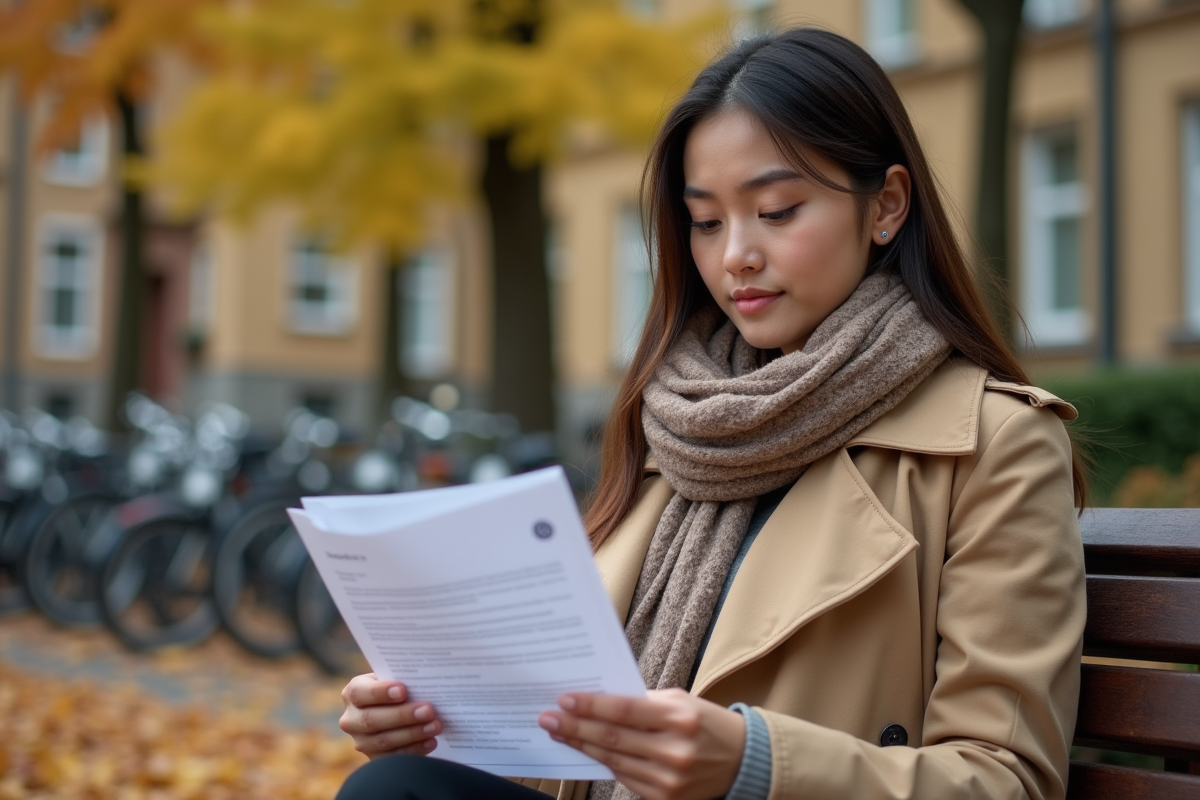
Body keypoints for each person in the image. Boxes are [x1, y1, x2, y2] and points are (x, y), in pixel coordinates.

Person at [334, 27, 1087, 800]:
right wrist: (438, 722)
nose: (735, 255)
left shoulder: (997, 445)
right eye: (706, 221)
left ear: (886, 206)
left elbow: (1009, 780)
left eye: (778, 210)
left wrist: (757, 767)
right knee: (397, 786)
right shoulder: (678, 424)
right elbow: (574, 738)